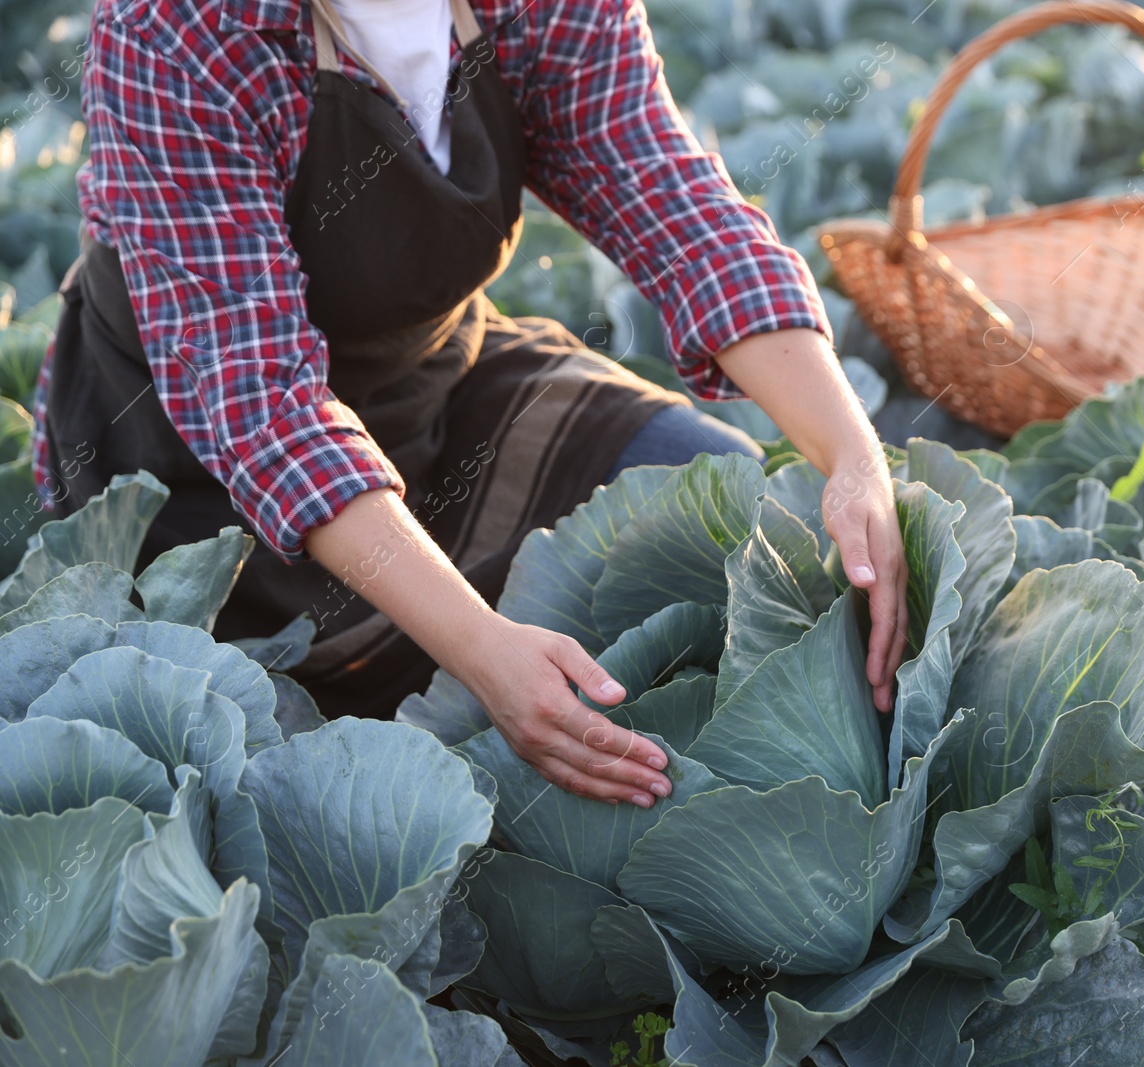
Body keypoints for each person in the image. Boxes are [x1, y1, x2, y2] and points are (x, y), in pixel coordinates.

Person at [34, 0, 906, 810]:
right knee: (366, 754)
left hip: (438, 386)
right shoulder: (178, 28)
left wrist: (852, 453)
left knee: (722, 509)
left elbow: (670, 200)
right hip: (206, 487)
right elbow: (263, 404)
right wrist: (482, 651)